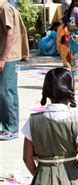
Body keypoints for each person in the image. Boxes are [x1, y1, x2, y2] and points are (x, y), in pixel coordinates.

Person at [0, 0, 29, 141]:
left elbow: (9, 34)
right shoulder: (7, 7)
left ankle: (10, 129)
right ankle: (6, 126)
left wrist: (3, 58)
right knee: (6, 92)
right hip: (9, 57)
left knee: (6, 92)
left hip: (9, 57)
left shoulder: (5, 8)